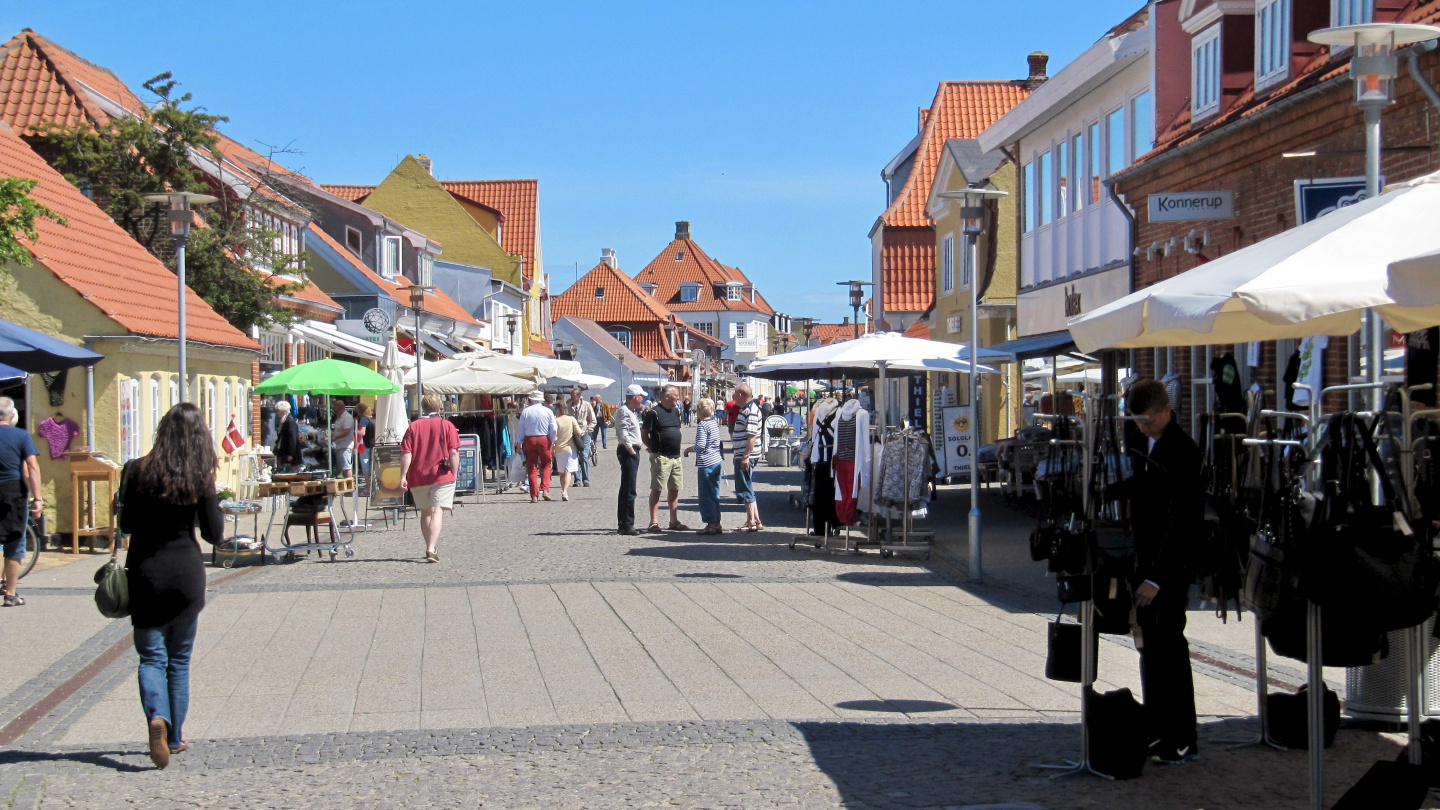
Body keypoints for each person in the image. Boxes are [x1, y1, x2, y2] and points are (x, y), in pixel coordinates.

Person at [120, 403, 224, 768]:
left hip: (146, 573)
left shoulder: (136, 470)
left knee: (151, 657)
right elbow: (214, 534)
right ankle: (175, 737)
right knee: (178, 661)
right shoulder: (200, 477)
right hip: (186, 575)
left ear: (161, 431)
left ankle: (155, 719)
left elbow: (127, 523)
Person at [1111, 379, 1203, 765]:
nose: (1143, 428)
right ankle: (1157, 728)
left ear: (1166, 410)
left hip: (1170, 566)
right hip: (1143, 558)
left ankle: (1181, 735)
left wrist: (1158, 578)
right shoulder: (1138, 440)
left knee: (1170, 649)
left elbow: (1184, 520)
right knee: (1148, 647)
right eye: (1138, 423)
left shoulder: (1183, 450)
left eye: (1148, 422)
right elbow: (1141, 489)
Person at [399, 393, 461, 563]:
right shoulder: (446, 425)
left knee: (425, 512)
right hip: (441, 475)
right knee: (436, 511)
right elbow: (453, 452)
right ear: (438, 407)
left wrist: (403, 476)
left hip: (418, 476)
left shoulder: (413, 426)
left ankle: (430, 545)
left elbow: (406, 453)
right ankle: (431, 548)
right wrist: (454, 474)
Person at [0, 398, 40, 607]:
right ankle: (10, 594)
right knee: (14, 543)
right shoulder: (21, 436)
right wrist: (38, 498)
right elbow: (31, 468)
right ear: (12, 415)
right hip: (13, 493)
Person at [643, 385, 689, 531]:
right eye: (676, 395)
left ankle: (673, 521)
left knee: (674, 488)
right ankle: (654, 521)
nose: (678, 398)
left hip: (676, 457)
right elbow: (645, 433)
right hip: (661, 457)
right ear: (666, 396)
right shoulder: (653, 413)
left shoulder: (676, 411)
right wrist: (651, 447)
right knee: (657, 489)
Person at [684, 398, 724, 535]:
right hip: (716, 460)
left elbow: (700, 446)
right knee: (715, 493)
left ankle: (711, 523)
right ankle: (717, 521)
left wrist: (689, 449)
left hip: (706, 462)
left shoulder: (703, 425)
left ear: (700, 411)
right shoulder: (714, 423)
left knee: (706, 494)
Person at [730, 384, 764, 531]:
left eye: (735, 394)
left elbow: (752, 435)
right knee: (747, 484)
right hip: (743, 453)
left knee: (744, 487)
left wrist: (745, 456)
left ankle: (751, 522)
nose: (733, 397)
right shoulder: (746, 409)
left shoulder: (751, 410)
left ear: (742, 396)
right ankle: (756, 520)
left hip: (747, 455)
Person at [615, 385, 645, 535]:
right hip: (628, 451)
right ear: (634, 396)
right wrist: (631, 450)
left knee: (628, 487)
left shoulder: (631, 411)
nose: (643, 398)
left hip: (632, 450)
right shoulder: (624, 411)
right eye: (641, 395)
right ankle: (626, 524)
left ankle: (625, 522)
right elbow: (623, 431)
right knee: (628, 488)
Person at [518, 390, 558, 502]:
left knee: (532, 467)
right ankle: (545, 488)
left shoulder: (525, 412)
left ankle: (534, 495)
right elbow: (554, 428)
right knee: (546, 464)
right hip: (544, 439)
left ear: (531, 399)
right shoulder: (548, 411)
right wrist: (553, 440)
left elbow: (521, 429)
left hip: (529, 439)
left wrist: (519, 442)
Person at [553, 400, 583, 501]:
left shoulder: (555, 421)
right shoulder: (571, 419)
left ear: (558, 409)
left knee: (562, 472)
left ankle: (563, 490)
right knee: (568, 471)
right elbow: (579, 432)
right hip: (571, 448)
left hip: (559, 449)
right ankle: (565, 492)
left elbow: (552, 435)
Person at [569, 387, 596, 488]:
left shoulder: (586, 405)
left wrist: (588, 430)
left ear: (579, 396)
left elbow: (593, 420)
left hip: (584, 433)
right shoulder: (568, 406)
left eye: (574, 395)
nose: (572, 397)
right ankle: (577, 479)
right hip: (573, 434)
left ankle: (586, 479)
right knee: (574, 456)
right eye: (571, 395)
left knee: (584, 456)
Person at [273, 400, 302, 472]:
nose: (277, 413)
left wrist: (290, 454)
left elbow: (292, 438)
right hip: (283, 451)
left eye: (278, 410)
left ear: (283, 411)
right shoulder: (283, 421)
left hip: (290, 454)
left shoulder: (289, 422)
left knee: (291, 472)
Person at [329, 400, 355, 477]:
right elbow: (337, 429)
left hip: (345, 445)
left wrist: (334, 437)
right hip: (339, 445)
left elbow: (347, 431)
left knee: (347, 467)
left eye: (335, 409)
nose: (334, 411)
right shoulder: (339, 418)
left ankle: (350, 484)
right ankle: (345, 483)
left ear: (339, 407)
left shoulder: (347, 417)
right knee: (343, 467)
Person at [354, 403, 374, 477]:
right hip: (373, 444)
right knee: (373, 466)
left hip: (365, 446)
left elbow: (362, 432)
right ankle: (373, 486)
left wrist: (356, 433)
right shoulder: (373, 419)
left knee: (366, 467)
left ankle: (368, 486)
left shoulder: (363, 419)